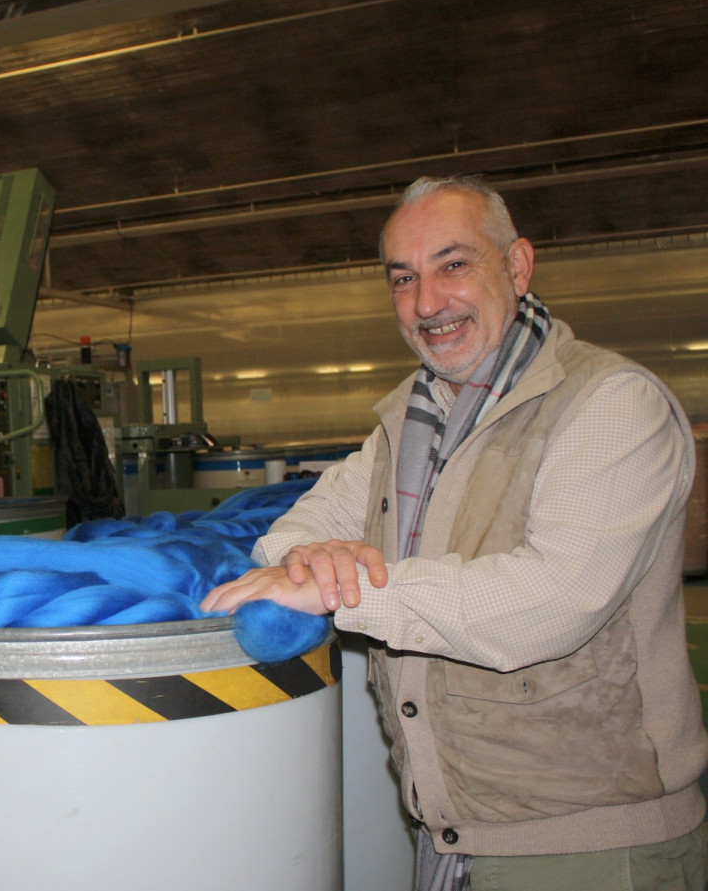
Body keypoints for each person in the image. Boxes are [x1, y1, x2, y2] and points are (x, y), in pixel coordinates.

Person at [202, 176, 708, 890]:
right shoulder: (410, 425)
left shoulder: (609, 405)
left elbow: (553, 598)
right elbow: (300, 525)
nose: (427, 302)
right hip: (451, 836)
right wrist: (307, 560)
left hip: (589, 850)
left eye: (454, 265)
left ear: (518, 266)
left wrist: (341, 592)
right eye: (403, 278)